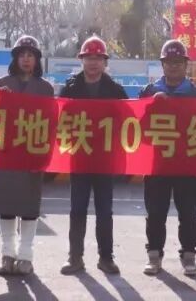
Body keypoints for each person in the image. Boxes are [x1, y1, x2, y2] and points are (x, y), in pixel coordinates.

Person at [0, 35, 54, 276]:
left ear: (37, 60)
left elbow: (51, 123)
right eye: (22, 55)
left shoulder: (45, 89)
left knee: (29, 207)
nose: (26, 59)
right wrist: (1, 102)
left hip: (32, 154)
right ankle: (7, 254)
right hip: (6, 153)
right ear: (15, 59)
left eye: (30, 55)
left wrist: (45, 156)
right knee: (6, 205)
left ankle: (25, 255)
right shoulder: (2, 84)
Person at [59, 35, 129, 276]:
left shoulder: (116, 91)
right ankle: (75, 257)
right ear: (82, 60)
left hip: (105, 161)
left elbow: (127, 122)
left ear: (105, 62)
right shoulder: (70, 89)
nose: (93, 62)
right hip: (79, 158)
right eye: (88, 57)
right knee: (77, 210)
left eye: (98, 58)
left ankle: (106, 258)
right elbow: (59, 120)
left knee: (104, 212)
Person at [139, 39, 196, 277]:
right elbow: (137, 128)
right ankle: (154, 255)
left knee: (188, 213)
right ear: (162, 65)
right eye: (169, 62)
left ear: (185, 65)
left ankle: (188, 255)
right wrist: (151, 106)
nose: (174, 66)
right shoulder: (148, 93)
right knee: (155, 212)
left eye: (178, 62)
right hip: (157, 165)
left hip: (187, 166)